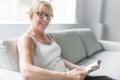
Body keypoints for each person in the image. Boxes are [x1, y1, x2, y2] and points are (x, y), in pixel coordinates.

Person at [17, 0, 114, 80]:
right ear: (31, 14)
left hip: (70, 76)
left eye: (49, 16)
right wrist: (67, 76)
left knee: (107, 79)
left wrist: (77, 68)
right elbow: (27, 71)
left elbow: (57, 59)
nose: (45, 19)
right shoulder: (26, 39)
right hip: (62, 78)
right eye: (41, 14)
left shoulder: (48, 36)